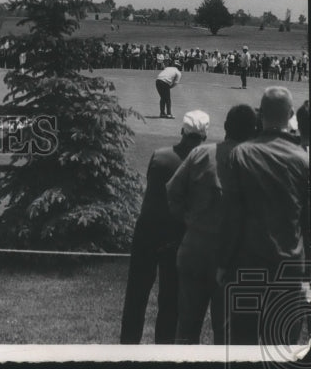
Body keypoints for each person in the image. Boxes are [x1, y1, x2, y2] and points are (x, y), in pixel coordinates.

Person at [218, 87, 309, 346]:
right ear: (290, 114)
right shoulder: (303, 159)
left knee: (243, 346)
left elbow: (231, 215)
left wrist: (223, 262)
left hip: (248, 265)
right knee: (281, 349)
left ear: (261, 114)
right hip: (290, 267)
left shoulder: (241, 154)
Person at [166, 105, 258, 345]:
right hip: (232, 257)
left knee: (186, 327)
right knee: (226, 332)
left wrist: (188, 219)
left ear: (226, 127)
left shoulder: (200, 154)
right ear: (253, 130)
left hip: (195, 247)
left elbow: (173, 191)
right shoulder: (255, 164)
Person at [121, 110, 210, 344]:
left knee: (135, 297)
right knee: (170, 301)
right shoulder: (201, 166)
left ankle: (127, 347)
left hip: (147, 231)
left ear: (182, 131)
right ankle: (163, 350)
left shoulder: (160, 156)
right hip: (175, 236)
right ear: (204, 136)